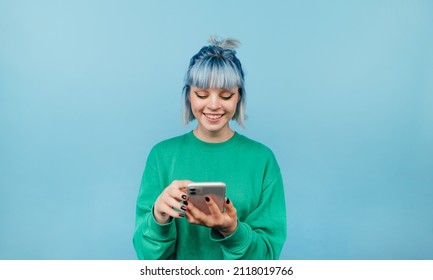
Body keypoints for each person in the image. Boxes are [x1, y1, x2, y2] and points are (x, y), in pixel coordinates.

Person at [133, 36, 286, 259]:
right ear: (188, 96)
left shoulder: (263, 160)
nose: (213, 105)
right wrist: (158, 216)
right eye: (202, 94)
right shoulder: (161, 156)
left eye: (226, 95)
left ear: (238, 98)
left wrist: (232, 230)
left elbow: (267, 259)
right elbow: (147, 259)